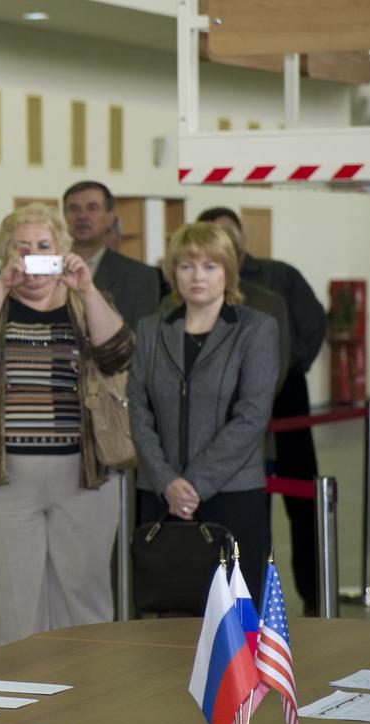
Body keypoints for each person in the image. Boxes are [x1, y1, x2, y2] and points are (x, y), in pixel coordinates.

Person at [0, 203, 133, 646]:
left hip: (84, 476)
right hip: (3, 477)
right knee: (14, 609)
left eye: (44, 247)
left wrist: (86, 290)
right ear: (7, 254)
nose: (33, 257)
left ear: (63, 251)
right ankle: (26, 701)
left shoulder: (87, 300)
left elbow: (119, 352)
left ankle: (90, 699)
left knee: (85, 603)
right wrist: (1, 284)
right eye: (22, 248)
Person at [128, 223, 280, 597]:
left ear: (228, 271)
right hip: (161, 496)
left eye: (210, 266)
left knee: (235, 620)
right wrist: (167, 482)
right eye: (187, 266)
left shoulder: (256, 330)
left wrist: (193, 484)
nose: (198, 276)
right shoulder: (150, 330)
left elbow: (251, 416)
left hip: (231, 495)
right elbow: (138, 410)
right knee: (168, 618)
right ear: (172, 272)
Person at [198, 207, 325, 613]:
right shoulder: (195, 288)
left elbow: (311, 324)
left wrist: (285, 370)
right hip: (219, 418)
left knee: (302, 508)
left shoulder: (276, 278)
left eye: (229, 236)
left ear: (241, 241)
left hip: (285, 407)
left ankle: (313, 595)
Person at [63, 181, 161, 327]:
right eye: (74, 209)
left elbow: (142, 338)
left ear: (110, 217)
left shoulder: (140, 276)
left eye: (92, 208)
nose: (82, 216)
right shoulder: (50, 269)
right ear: (64, 216)